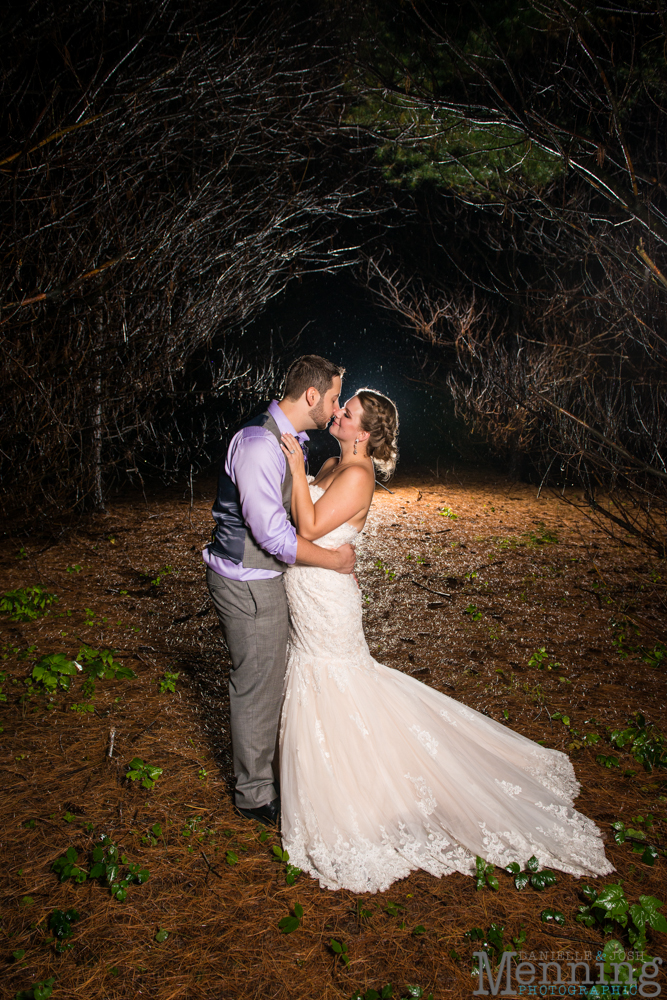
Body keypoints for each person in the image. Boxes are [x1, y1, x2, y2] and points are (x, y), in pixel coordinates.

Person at [278, 388, 615, 894]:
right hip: (310, 593)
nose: (338, 412)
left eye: (347, 413)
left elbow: (307, 522)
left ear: (364, 434)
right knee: (326, 679)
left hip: (328, 602)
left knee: (338, 681)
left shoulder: (355, 475)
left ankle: (364, 797)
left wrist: (291, 461)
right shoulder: (329, 460)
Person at [204, 355, 356, 826]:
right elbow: (271, 535)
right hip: (248, 582)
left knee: (271, 681)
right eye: (333, 398)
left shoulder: (288, 441)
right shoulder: (256, 445)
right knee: (258, 686)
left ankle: (269, 777)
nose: (335, 409)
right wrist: (333, 560)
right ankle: (253, 795)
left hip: (262, 578)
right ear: (311, 396)